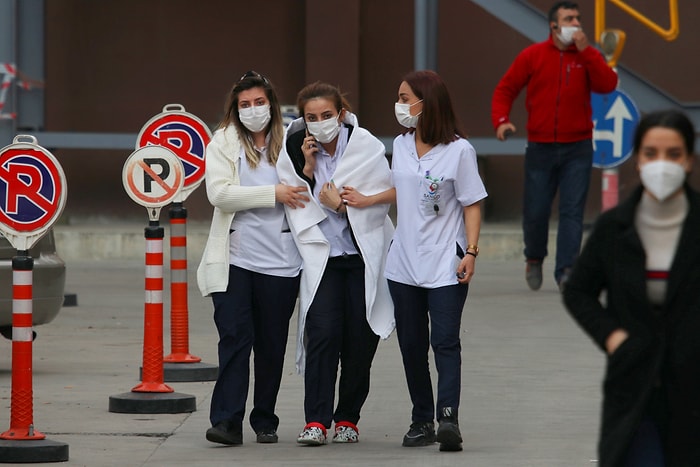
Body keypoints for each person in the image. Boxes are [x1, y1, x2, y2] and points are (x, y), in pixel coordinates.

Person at [563, 109, 700, 466]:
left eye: (674, 155)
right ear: (637, 160)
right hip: (634, 385)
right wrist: (612, 338)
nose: (662, 165)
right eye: (651, 154)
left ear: (689, 162)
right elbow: (578, 290)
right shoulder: (614, 228)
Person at [276, 81, 395, 446]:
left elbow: (384, 200)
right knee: (323, 334)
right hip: (324, 259)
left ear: (341, 114)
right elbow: (295, 203)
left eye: (327, 115)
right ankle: (316, 420)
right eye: (312, 117)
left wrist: (343, 206)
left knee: (360, 341)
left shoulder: (366, 147)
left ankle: (348, 418)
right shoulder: (295, 150)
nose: (321, 122)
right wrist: (310, 171)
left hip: (362, 258)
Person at [197, 70, 310, 446]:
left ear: (272, 104)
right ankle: (226, 421)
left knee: (271, 344)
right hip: (236, 259)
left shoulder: (293, 137)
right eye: (245, 104)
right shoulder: (223, 142)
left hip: (281, 261)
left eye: (259, 102)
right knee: (234, 337)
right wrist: (273, 193)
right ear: (235, 109)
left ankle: (265, 418)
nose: (253, 110)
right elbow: (220, 194)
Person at [385, 70, 487, 452]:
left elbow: (472, 203)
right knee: (412, 345)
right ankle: (420, 420)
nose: (399, 105)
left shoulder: (460, 150)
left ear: (426, 103)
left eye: (404, 97)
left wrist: (472, 252)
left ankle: (448, 418)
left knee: (444, 342)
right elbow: (401, 192)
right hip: (403, 265)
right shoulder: (401, 143)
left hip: (446, 262)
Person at [491, 1, 618, 291]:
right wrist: (501, 120)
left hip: (578, 147)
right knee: (536, 211)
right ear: (554, 26)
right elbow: (505, 89)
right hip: (541, 147)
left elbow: (607, 84)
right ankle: (534, 257)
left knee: (572, 211)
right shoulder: (533, 56)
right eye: (569, 18)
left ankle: (566, 271)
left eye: (578, 18)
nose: (576, 23)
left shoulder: (587, 56)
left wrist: (587, 52)